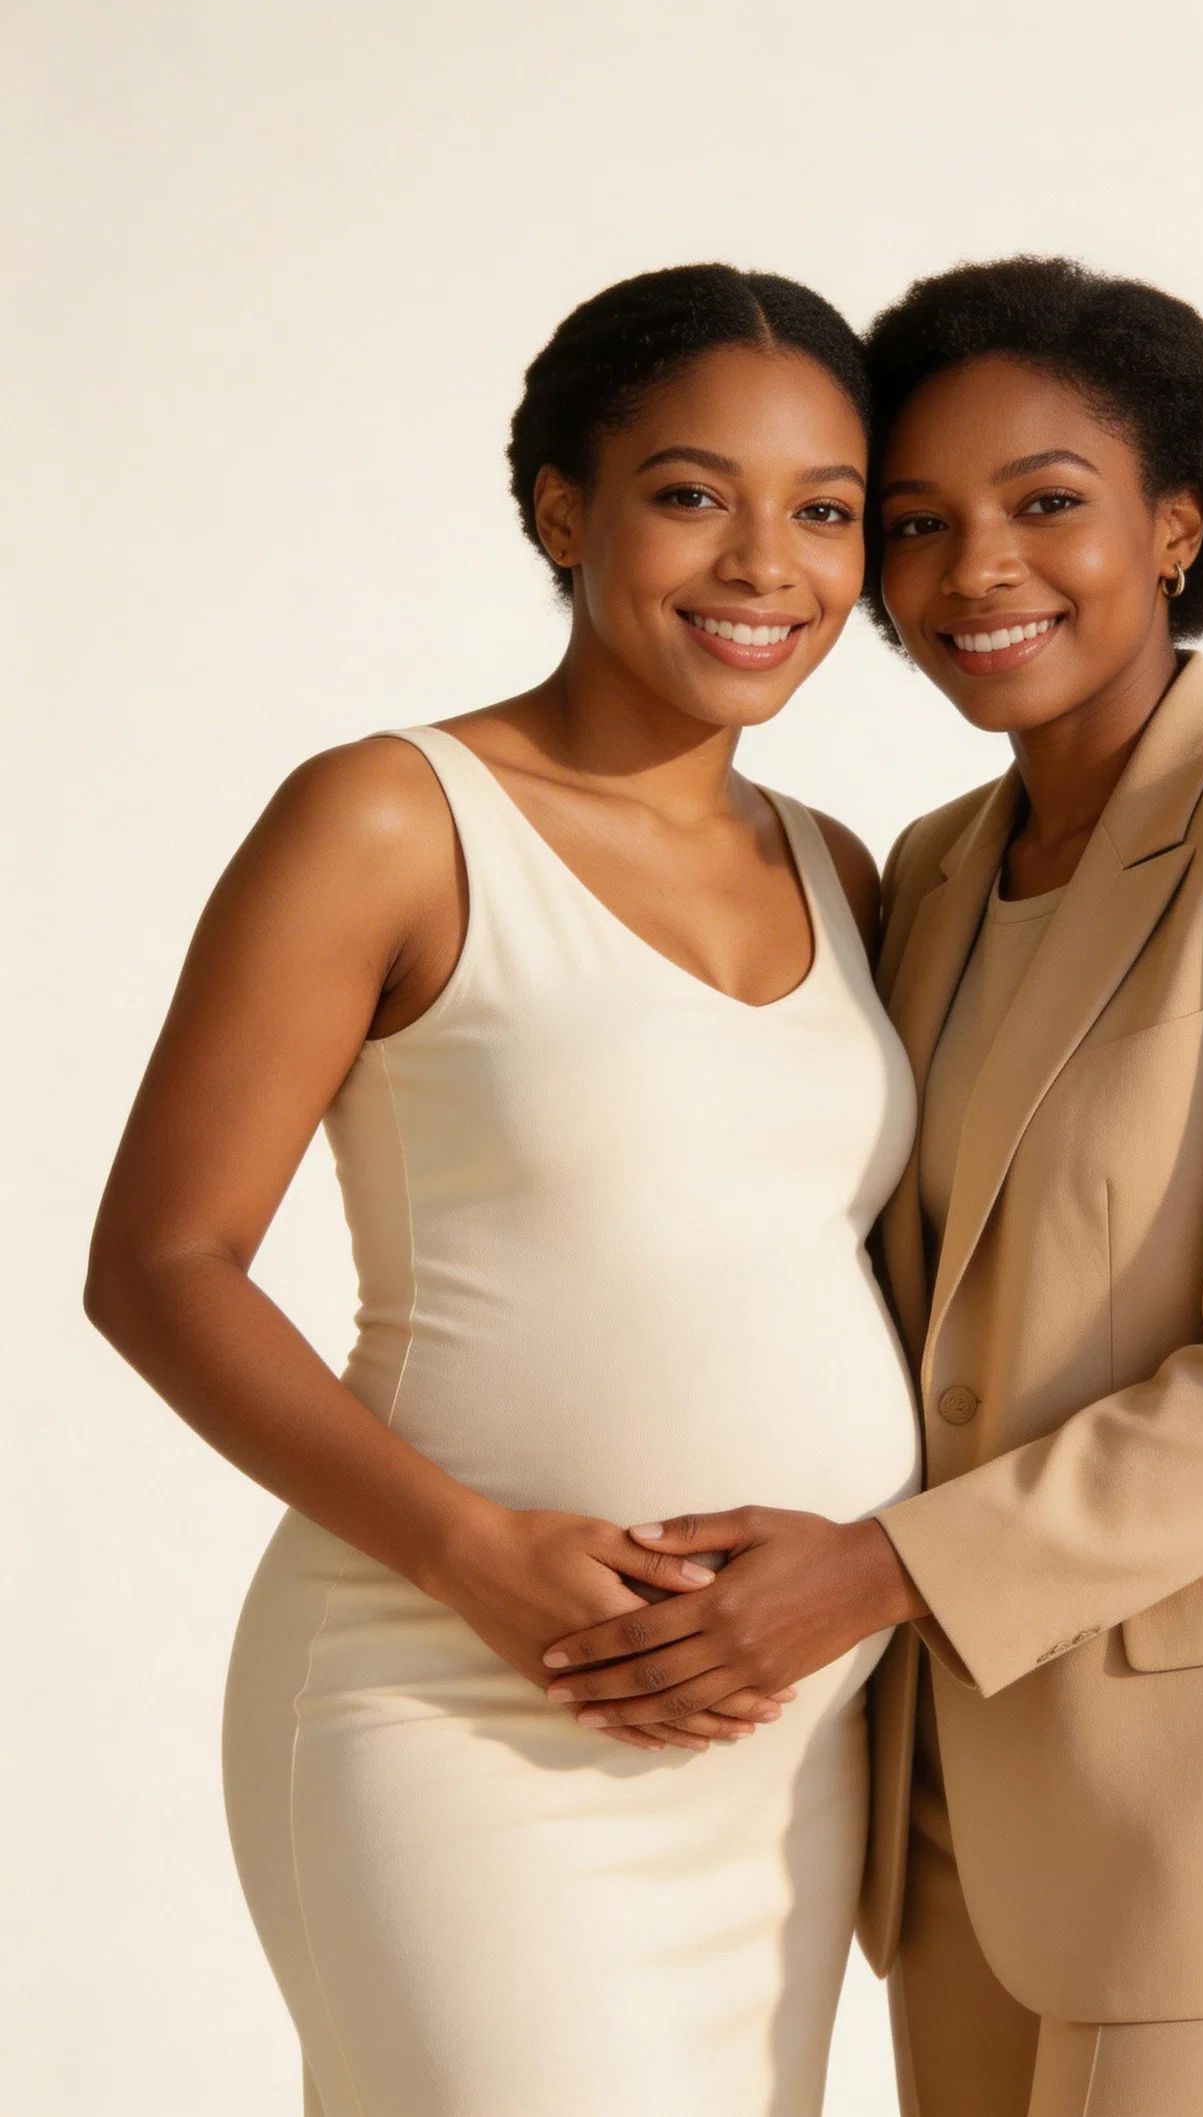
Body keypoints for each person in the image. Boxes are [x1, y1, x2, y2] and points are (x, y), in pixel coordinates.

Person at [542, 256, 1203, 2117]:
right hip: (959, 1799)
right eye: (916, 523)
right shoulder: (924, 870)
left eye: (1047, 505)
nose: (978, 567)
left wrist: (876, 1572)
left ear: (1176, 527)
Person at [83, 263, 921, 2117]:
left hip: (779, 1743)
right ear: (564, 506)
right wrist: (477, 1555)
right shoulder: (388, 815)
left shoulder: (840, 869)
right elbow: (161, 1262)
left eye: (827, 511)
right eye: (694, 493)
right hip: (451, 1690)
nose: (764, 564)